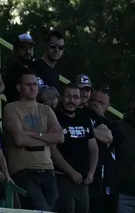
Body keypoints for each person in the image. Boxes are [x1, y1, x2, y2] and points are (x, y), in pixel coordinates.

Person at [3, 69, 65, 210]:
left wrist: (33, 134)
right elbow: (19, 140)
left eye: (35, 84)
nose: (33, 88)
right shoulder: (11, 108)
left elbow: (60, 137)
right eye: (28, 84)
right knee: (41, 209)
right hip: (24, 171)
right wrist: (47, 138)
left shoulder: (47, 110)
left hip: (48, 170)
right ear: (19, 87)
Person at [52, 83, 99, 213]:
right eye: (68, 96)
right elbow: (52, 150)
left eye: (76, 97)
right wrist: (71, 172)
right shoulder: (54, 117)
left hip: (83, 181)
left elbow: (94, 148)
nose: (71, 100)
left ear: (80, 101)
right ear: (61, 97)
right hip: (61, 177)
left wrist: (91, 173)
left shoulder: (85, 119)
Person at [87, 90, 119, 213]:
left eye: (101, 102)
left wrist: (100, 117)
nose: (96, 105)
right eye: (94, 101)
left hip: (106, 181)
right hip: (87, 177)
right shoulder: (81, 116)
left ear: (108, 106)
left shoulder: (112, 124)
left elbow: (109, 138)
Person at [3, 33, 39, 102]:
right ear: (16, 50)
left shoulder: (34, 69)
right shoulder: (12, 72)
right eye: (24, 48)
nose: (28, 51)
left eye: (30, 48)